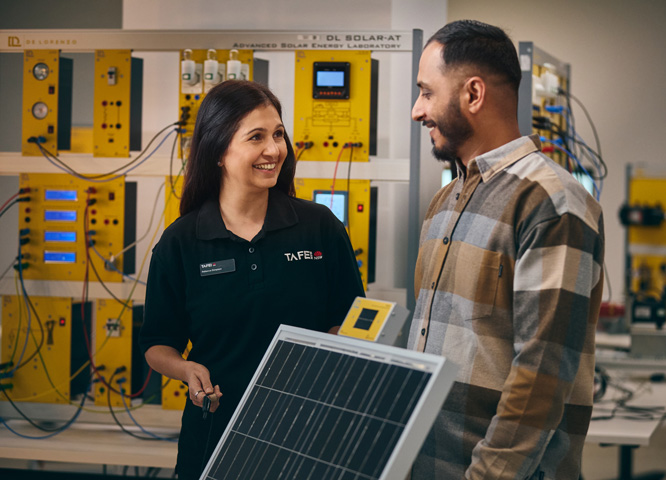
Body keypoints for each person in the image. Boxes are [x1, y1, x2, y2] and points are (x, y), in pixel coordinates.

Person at [407, 20, 604, 480]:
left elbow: (542, 372)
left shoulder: (552, 203)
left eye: (426, 92)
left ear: (473, 95)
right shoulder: (444, 202)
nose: (417, 111)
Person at [140, 80, 365, 480]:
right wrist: (187, 370)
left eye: (278, 134)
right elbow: (158, 344)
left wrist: (333, 361)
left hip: (309, 434)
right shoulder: (182, 241)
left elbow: (348, 318)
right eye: (256, 137)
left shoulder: (319, 227)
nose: (274, 149)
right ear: (218, 152)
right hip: (217, 435)